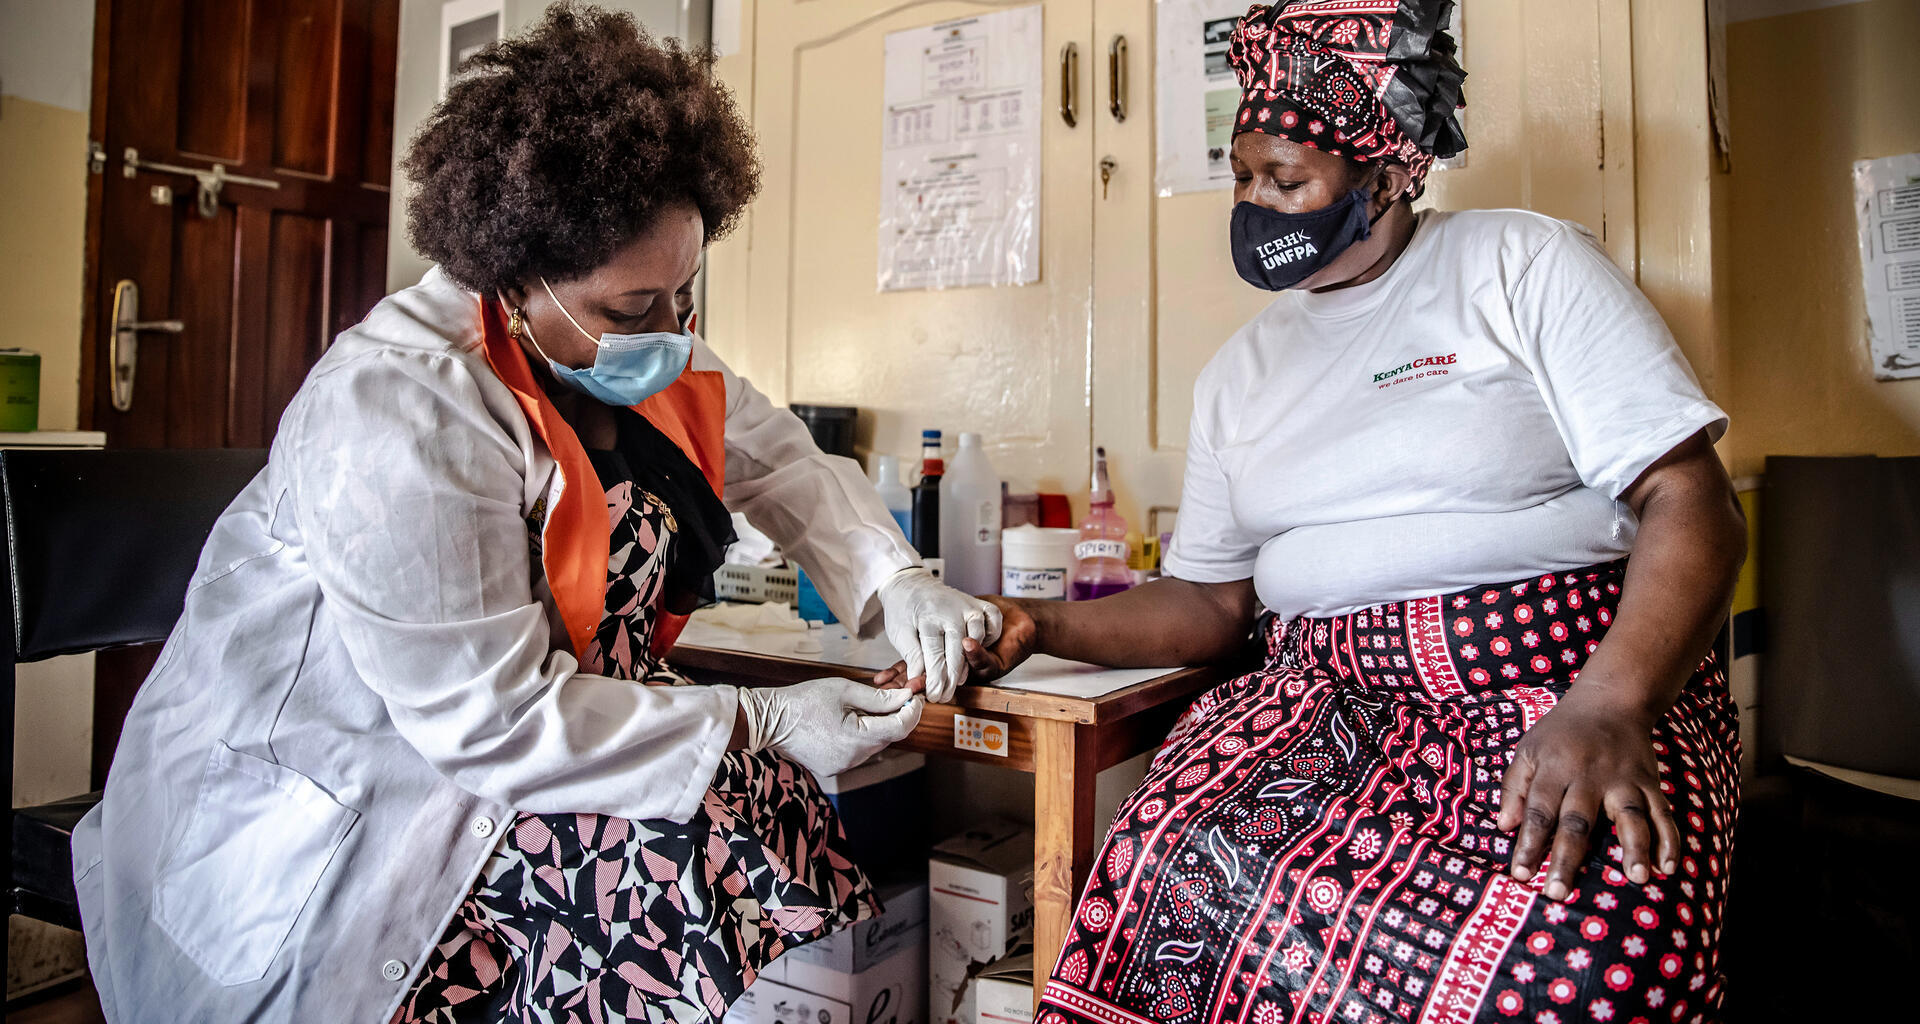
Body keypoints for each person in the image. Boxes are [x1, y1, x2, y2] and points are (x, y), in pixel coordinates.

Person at [70, 7, 998, 1021]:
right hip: (344, 830)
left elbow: (779, 459)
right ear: (514, 273)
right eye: (633, 308)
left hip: (515, 789)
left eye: (682, 296)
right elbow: (492, 717)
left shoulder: (618, 342)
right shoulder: (399, 406)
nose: (674, 335)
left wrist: (894, 580)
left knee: (738, 822)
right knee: (709, 804)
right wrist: (762, 717)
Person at [888, 2, 1746, 1021]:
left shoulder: (1523, 265)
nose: (1254, 202)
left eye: (1286, 180)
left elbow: (1689, 498)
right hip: (1318, 716)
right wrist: (1037, 624)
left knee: (1573, 963)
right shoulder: (1240, 375)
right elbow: (1210, 604)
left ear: (1388, 172)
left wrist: (1612, 702)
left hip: (1560, 695)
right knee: (1164, 872)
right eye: (1244, 175)